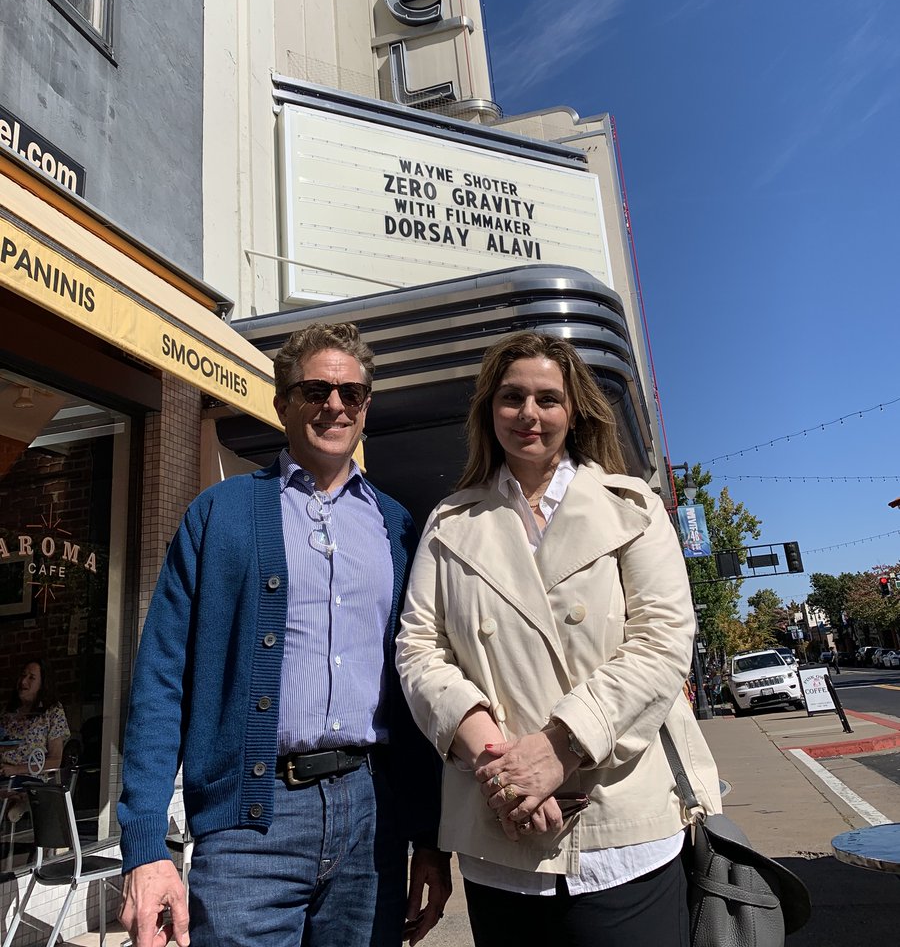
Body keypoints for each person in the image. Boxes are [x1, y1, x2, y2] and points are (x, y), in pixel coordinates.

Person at [118, 322, 450, 947]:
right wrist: (146, 848)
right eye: (316, 390)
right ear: (282, 401)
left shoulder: (399, 527)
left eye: (351, 394)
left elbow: (415, 686)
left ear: (366, 407)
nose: (334, 405)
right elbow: (161, 678)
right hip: (250, 823)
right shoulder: (219, 514)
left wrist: (429, 836)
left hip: (371, 822)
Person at [396, 331, 722, 947]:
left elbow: (662, 638)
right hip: (500, 834)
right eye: (512, 397)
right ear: (489, 411)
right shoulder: (449, 523)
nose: (529, 414)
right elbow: (419, 650)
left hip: (622, 827)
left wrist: (559, 748)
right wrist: (502, 767)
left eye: (548, 398)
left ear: (574, 413)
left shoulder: (633, 507)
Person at [1, 658, 69, 780]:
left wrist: (16, 770)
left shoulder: (53, 712)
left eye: (31, 678)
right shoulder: (7, 712)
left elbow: (55, 760)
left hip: (30, 782)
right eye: (23, 676)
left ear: (42, 684)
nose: (23, 682)